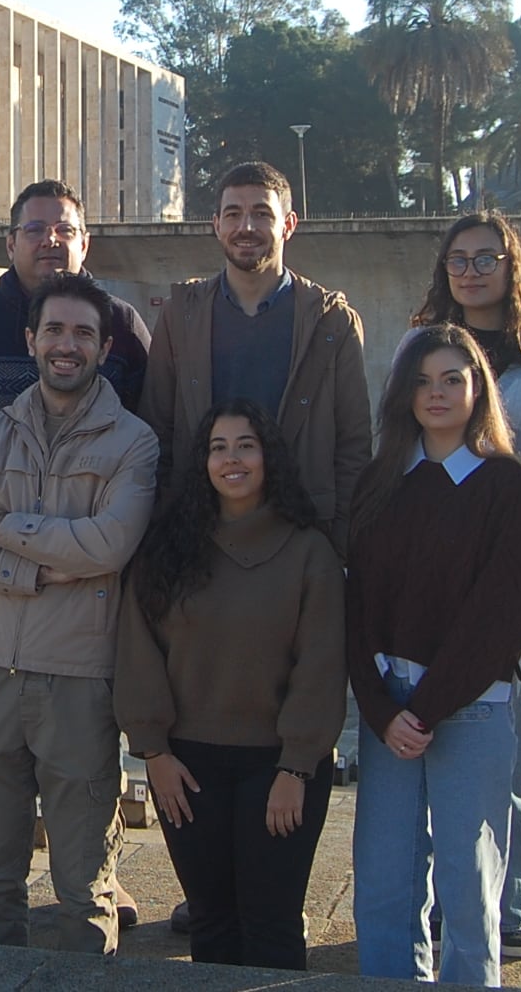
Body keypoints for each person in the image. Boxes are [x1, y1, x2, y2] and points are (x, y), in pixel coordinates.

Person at [0, 176, 154, 931]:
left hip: (83, 653)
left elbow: (113, 538)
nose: (67, 345)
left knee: (83, 888)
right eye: (35, 227)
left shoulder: (131, 395)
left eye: (66, 228)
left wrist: (6, 528)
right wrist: (30, 564)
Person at [402, 211, 521, 962]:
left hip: (512, 571)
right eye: (458, 260)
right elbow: (405, 453)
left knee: (507, 742)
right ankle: (447, 903)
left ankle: (512, 906)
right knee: (434, 736)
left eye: (487, 258)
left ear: (514, 268)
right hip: (432, 573)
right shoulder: (422, 351)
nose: (471, 272)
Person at [114, 398, 344, 969]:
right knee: (211, 922)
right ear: (203, 464)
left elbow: (321, 665)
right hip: (187, 768)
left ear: (269, 457)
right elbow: (138, 652)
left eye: (246, 445)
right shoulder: (168, 547)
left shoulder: (308, 551)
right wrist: (154, 752)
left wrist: (297, 766)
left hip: (278, 767)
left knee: (272, 923)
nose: (231, 459)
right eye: (218, 448)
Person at [346, 324, 521, 987]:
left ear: (477, 388)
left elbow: (503, 613)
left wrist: (425, 709)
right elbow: (358, 609)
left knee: (467, 879)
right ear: (403, 392)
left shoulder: (503, 483)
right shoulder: (380, 481)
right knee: (384, 880)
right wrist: (383, 711)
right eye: (423, 380)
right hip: (389, 713)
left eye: (453, 378)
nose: (437, 392)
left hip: (470, 709)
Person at [142, 159, 371, 559]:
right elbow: (156, 430)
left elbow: (353, 444)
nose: (246, 227)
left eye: (262, 213)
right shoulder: (181, 315)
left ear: (289, 224)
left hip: (299, 534)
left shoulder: (331, 321)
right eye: (233, 214)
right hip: (200, 535)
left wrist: (343, 543)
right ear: (216, 225)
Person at [0, 178, 153, 473]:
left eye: (64, 230)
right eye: (35, 229)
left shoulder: (122, 324)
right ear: (11, 244)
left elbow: (150, 417)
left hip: (99, 509)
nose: (49, 240)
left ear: (84, 243)